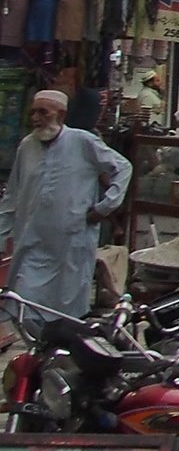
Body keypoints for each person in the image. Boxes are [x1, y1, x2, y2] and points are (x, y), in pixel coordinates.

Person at [0, 90, 132, 322]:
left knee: (67, 317)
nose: (35, 118)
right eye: (33, 112)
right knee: (24, 308)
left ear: (61, 115)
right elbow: (12, 197)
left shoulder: (83, 141)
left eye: (43, 112)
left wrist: (105, 206)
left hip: (71, 247)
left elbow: (123, 168)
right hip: (32, 245)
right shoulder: (26, 147)